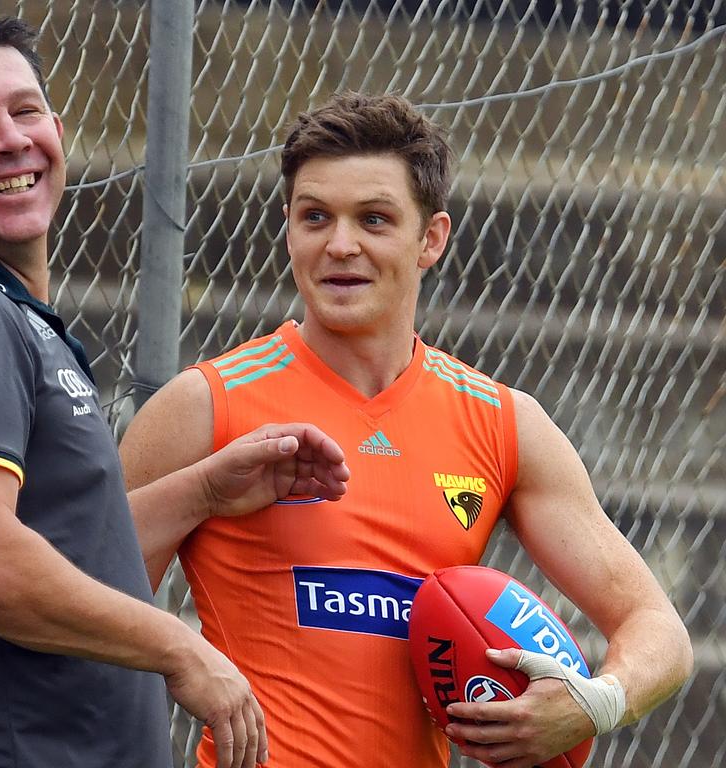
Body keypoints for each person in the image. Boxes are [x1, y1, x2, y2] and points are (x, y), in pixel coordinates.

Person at [0, 9, 350, 768]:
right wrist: (179, 649)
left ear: (58, 129)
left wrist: (199, 493)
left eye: (25, 110)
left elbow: (54, 557)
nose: (10, 137)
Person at [119, 91, 694, 768]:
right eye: (314, 217)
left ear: (431, 239)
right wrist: (198, 523)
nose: (340, 244)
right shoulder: (207, 404)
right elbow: (76, 594)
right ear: (288, 229)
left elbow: (659, 632)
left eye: (374, 219)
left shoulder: (502, 421)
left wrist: (595, 702)